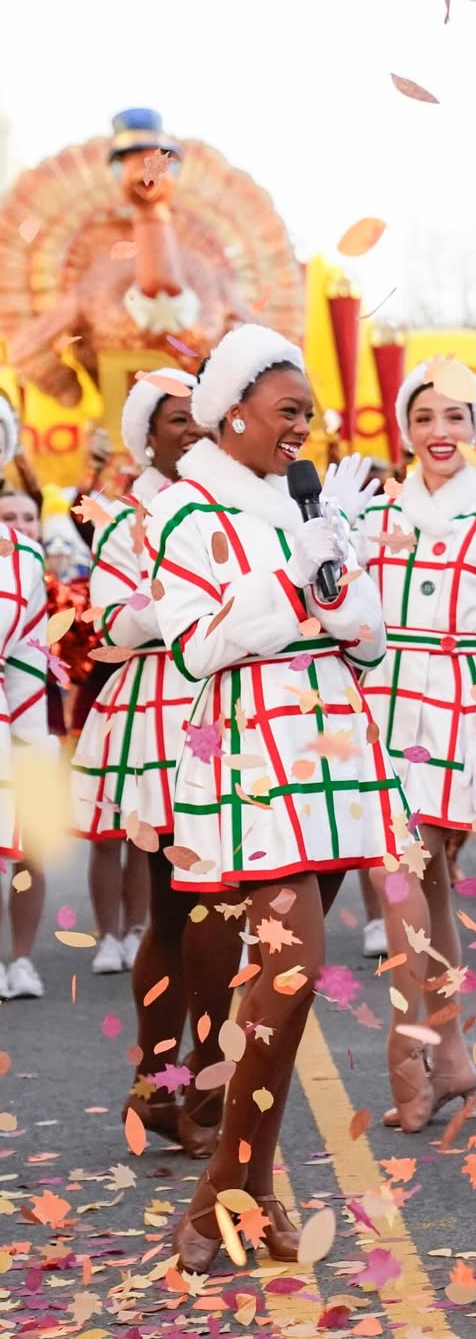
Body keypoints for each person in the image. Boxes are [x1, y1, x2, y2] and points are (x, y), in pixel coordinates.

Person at [145, 325, 412, 1271]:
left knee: (282, 989)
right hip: (251, 745)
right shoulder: (183, 513)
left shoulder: (313, 504)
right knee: (294, 966)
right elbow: (194, 647)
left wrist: (338, 597)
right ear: (232, 414)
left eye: (309, 413)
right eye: (288, 410)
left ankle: (248, 1192)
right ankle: (224, 1186)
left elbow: (371, 640)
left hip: (333, 743)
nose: (304, 428)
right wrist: (289, 588)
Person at [358, 359, 476, 1131]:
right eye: (425, 416)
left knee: (408, 877)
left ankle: (412, 1055)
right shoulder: (372, 516)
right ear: (405, 427)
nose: (440, 431)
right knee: (418, 885)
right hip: (381, 707)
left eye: (456, 416)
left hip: (460, 713)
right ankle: (452, 1056)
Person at [71, 369, 239, 1152]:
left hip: (231, 712)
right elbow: (108, 623)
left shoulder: (237, 502)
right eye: (177, 419)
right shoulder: (125, 518)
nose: (193, 429)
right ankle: (169, 1084)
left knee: (225, 902)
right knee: (180, 905)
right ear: (147, 435)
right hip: (162, 715)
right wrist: (175, 603)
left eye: (201, 415)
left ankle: (191, 1083)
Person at [0, 398, 51, 1002]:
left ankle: (17, 960)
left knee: (22, 845)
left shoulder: (24, 554)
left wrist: (33, 742)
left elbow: (28, 656)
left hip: (7, 723)